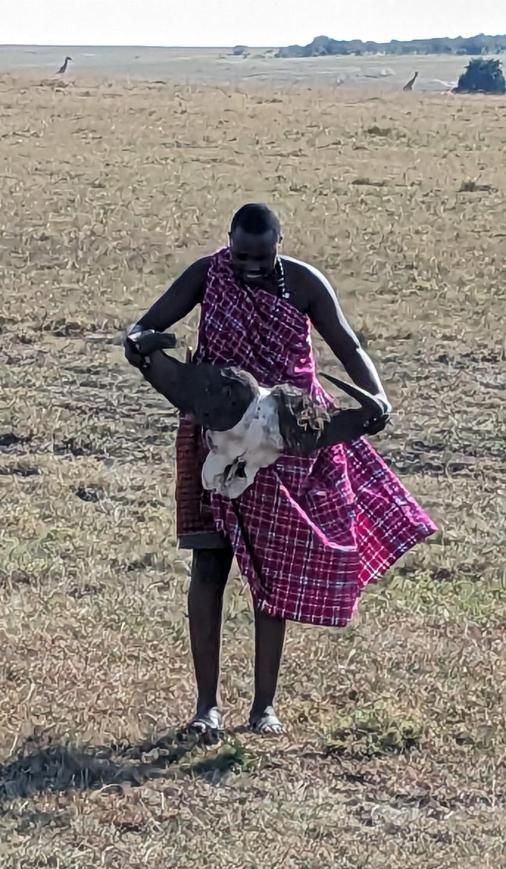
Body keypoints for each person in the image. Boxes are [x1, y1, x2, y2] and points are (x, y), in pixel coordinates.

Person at [125, 203, 436, 736]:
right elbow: (145, 327)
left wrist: (376, 396)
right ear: (228, 243)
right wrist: (143, 348)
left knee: (274, 576)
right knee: (209, 566)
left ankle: (263, 706)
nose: (250, 266)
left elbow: (347, 344)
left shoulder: (305, 283)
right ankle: (206, 708)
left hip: (288, 438)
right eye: (242, 255)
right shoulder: (207, 274)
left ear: (279, 244)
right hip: (216, 434)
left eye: (262, 256)